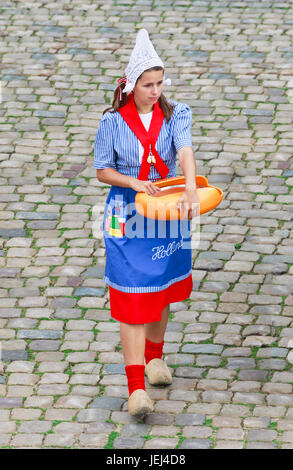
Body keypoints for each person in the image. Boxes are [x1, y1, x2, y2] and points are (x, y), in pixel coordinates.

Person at [94, 29, 199, 418]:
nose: (155, 91)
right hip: (126, 215)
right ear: (131, 85)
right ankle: (136, 387)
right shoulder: (112, 123)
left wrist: (189, 187)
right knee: (131, 296)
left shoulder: (175, 114)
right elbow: (103, 171)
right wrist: (132, 181)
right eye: (148, 84)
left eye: (159, 83)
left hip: (166, 209)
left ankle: (155, 360)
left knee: (161, 286)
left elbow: (184, 150)